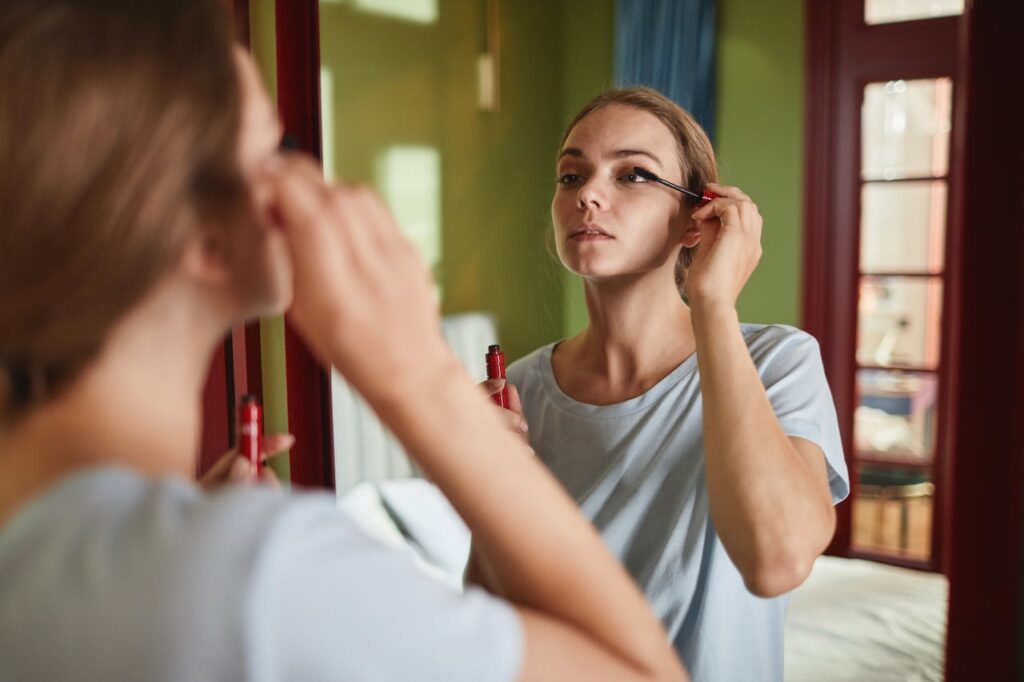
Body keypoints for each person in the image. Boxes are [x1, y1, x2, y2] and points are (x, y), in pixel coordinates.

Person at [0, 3, 688, 680]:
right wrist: (419, 378)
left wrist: (183, 540)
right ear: (204, 239)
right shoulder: (254, 576)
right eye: (280, 152)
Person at [477, 88, 850, 681]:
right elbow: (493, 624)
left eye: (634, 175)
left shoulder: (778, 361)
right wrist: (484, 486)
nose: (589, 195)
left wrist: (713, 302)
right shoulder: (518, 391)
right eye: (571, 175)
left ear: (696, 220)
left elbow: (775, 560)